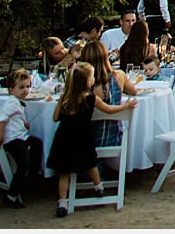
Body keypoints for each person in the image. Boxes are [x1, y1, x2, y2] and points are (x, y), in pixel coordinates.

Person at [47, 62, 135, 217]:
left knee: (64, 172)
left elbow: (55, 118)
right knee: (90, 163)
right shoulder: (91, 99)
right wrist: (125, 107)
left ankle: (62, 201)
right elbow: (109, 110)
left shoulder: (65, 98)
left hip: (64, 139)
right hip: (83, 139)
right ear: (88, 81)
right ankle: (99, 186)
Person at [0, 68, 42, 209]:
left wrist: (23, 123)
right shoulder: (12, 103)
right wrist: (0, 137)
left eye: (27, 87)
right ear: (11, 90)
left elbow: (16, 116)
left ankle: (34, 173)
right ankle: (11, 196)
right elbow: (1, 119)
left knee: (37, 143)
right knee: (23, 163)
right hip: (13, 139)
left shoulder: (17, 102)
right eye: (21, 88)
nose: (25, 90)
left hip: (21, 135)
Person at [78, 41, 138, 147]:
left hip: (86, 143)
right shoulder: (119, 76)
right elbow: (133, 92)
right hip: (114, 139)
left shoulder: (80, 82)